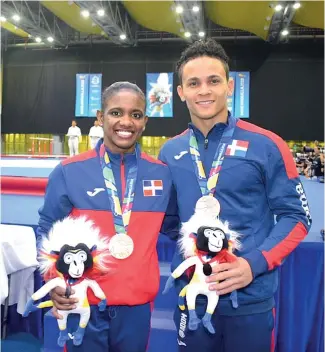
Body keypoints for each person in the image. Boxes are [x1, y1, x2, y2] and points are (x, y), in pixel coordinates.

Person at [159, 39, 312, 352]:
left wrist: (251, 264)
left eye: (213, 81)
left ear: (229, 86)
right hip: (194, 294)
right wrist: (197, 254)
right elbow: (168, 220)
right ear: (181, 92)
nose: (204, 91)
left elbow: (297, 216)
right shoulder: (170, 152)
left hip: (250, 300)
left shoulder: (267, 145)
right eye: (193, 83)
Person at [37, 82, 174, 351]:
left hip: (135, 308)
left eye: (135, 115)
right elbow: (46, 230)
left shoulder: (162, 174)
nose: (126, 122)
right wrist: (53, 280)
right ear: (101, 117)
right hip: (82, 302)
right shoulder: (69, 171)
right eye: (115, 113)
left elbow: (178, 227)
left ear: (145, 121)